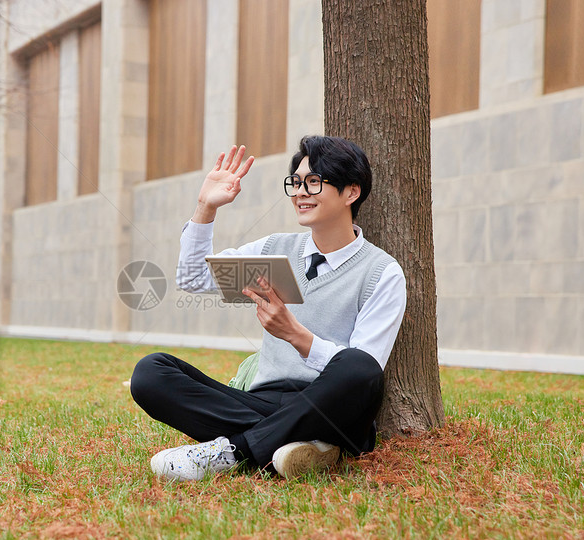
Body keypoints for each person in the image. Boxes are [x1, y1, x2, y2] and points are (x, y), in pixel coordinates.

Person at [129, 136, 406, 480]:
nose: (301, 192)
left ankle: (234, 451)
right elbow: (193, 277)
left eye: (314, 182)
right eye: (297, 183)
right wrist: (206, 207)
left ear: (351, 192)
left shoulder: (382, 272)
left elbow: (367, 370)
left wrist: (295, 334)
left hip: (331, 406)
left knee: (358, 367)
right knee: (150, 373)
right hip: (262, 400)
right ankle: (303, 446)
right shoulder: (275, 248)